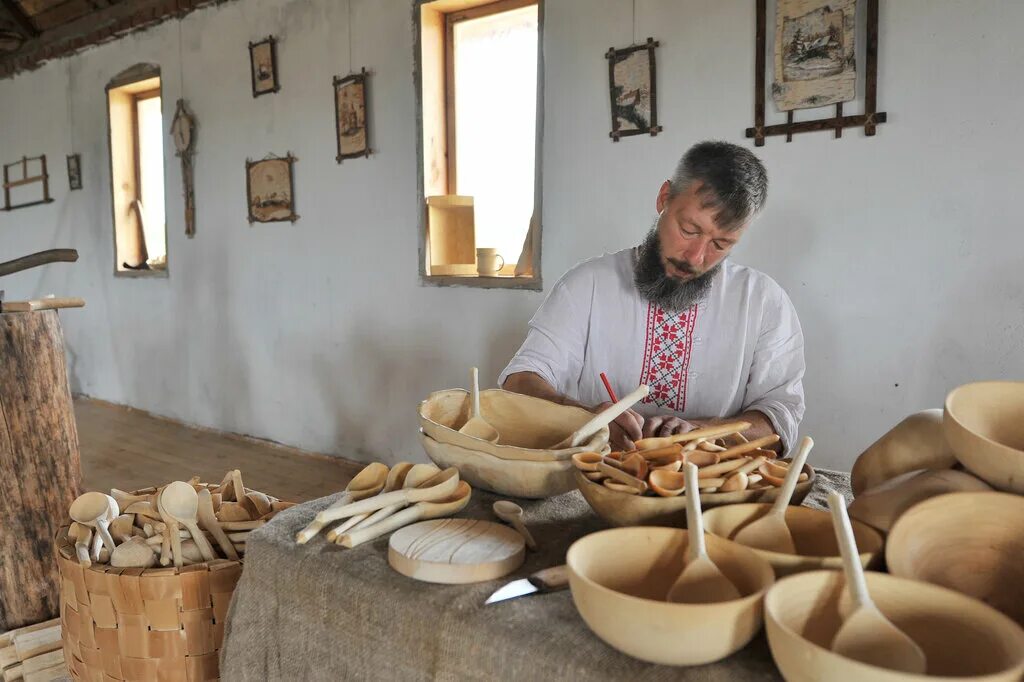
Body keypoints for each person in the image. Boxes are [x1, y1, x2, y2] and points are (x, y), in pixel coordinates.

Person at [499, 141, 805, 453]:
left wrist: (703, 432)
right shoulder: (587, 285)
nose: (697, 257)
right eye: (688, 229)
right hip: (593, 476)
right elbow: (520, 381)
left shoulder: (764, 302)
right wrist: (584, 418)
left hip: (710, 490)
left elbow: (780, 418)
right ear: (664, 199)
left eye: (721, 244)